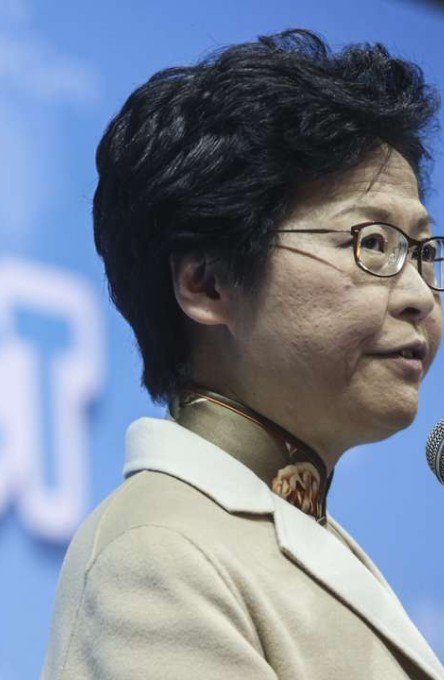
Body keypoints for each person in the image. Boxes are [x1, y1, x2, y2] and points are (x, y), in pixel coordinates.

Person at [42, 29, 444, 679]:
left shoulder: (295, 536)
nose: (420, 296)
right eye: (373, 244)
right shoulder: (161, 552)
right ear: (206, 283)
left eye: (423, 252)